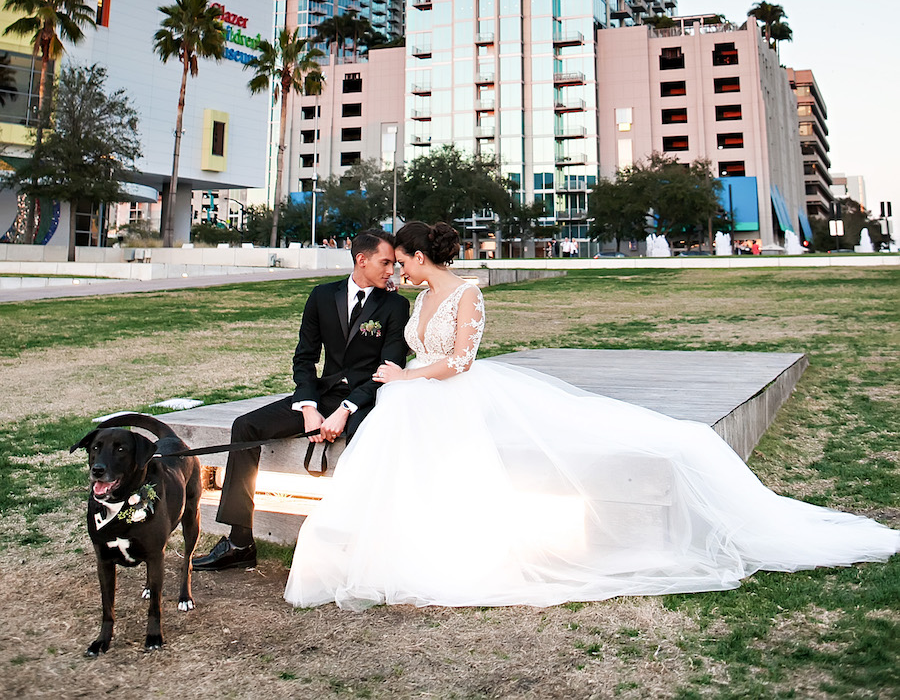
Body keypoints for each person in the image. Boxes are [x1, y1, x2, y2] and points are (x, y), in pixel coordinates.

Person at [284, 220, 899, 611]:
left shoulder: (467, 291)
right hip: (414, 399)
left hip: (448, 395)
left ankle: (464, 554)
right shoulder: (417, 297)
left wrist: (408, 375)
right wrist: (403, 378)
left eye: (404, 259)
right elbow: (413, 348)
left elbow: (462, 361)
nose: (398, 268)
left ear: (420, 255)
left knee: (461, 472)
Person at [194, 229, 410, 572]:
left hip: (364, 397)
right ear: (362, 260)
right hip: (321, 394)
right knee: (245, 426)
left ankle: (361, 545)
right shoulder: (322, 296)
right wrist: (308, 408)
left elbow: (388, 367)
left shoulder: (396, 305)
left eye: (395, 265)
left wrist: (345, 410)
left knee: (362, 436)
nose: (392, 271)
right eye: (386, 263)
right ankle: (239, 542)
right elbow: (305, 358)